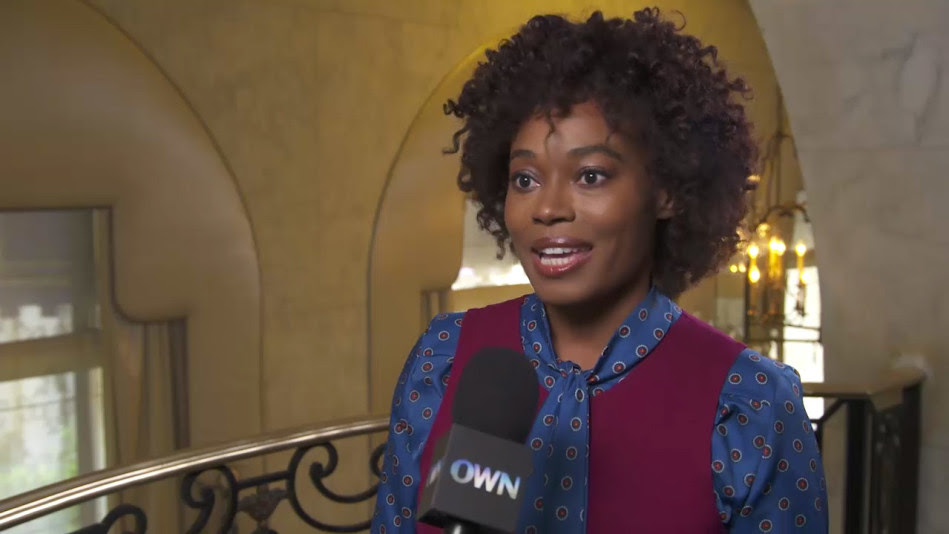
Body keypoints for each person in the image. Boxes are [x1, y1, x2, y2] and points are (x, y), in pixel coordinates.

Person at [372, 8, 827, 533]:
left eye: (590, 175)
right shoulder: (446, 358)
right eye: (525, 179)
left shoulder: (749, 405)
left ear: (667, 191)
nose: (547, 209)